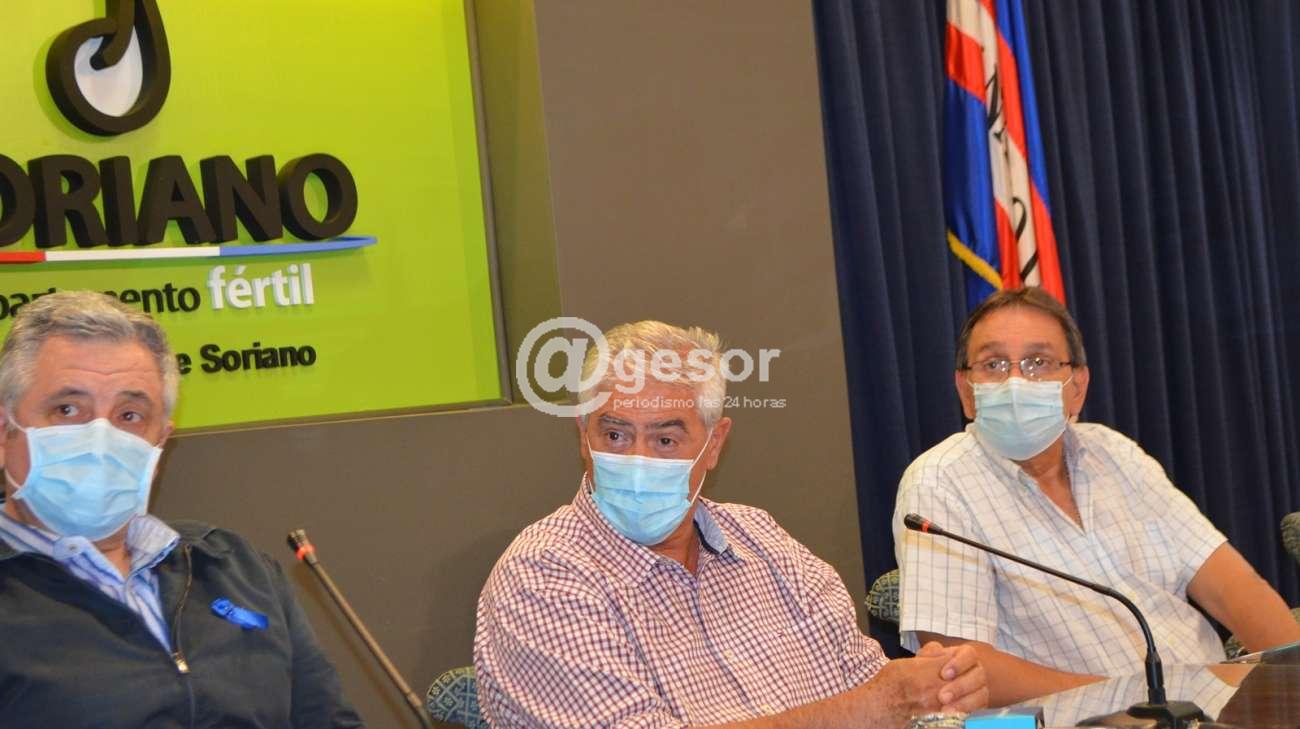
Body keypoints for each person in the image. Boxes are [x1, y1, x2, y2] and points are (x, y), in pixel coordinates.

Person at [475, 320, 987, 728]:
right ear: (582, 434)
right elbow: (870, 706)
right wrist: (871, 708)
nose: (637, 459)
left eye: (665, 440)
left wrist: (935, 690)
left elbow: (870, 687)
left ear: (714, 444)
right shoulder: (543, 575)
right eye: (615, 435)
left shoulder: (763, 542)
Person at [893, 286, 1300, 706]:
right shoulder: (939, 482)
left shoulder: (1115, 453)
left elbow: (1234, 588)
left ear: (1078, 386)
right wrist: (1146, 702)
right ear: (966, 391)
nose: (1015, 382)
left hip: (1214, 705)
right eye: (993, 364)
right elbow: (961, 669)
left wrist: (1295, 675)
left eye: (1038, 363)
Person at [0, 291, 362, 728]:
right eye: (68, 409)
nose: (101, 439)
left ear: (160, 443)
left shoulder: (235, 566)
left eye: (130, 415)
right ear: (4, 431)